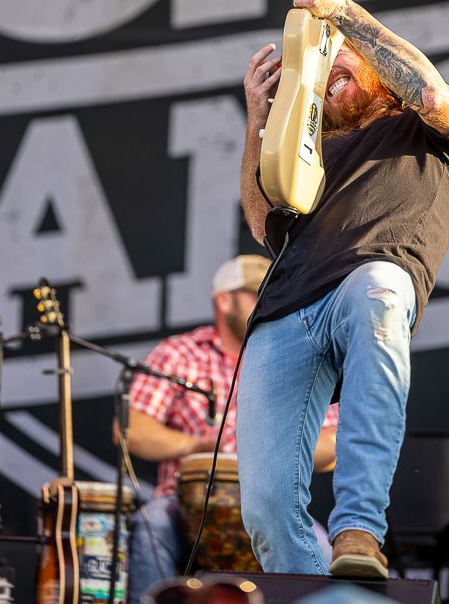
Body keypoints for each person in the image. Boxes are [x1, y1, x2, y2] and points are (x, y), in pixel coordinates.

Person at [238, 0, 449, 579]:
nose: (330, 70)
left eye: (346, 60)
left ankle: (358, 531)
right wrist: (257, 121)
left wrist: (343, 12)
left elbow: (430, 93)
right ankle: (323, 594)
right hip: (286, 309)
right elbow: (261, 221)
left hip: (372, 277)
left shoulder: (444, 135)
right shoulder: (312, 154)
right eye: (326, 68)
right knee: (266, 512)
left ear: (383, 73)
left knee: (379, 290)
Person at [126, 254, 339, 603]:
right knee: (153, 526)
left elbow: (333, 442)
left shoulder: (296, 358)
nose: (270, 304)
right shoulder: (180, 353)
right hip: (182, 504)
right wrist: (197, 445)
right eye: (258, 295)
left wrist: (271, 448)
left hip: (273, 506)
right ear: (224, 300)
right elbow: (131, 429)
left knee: (323, 552)